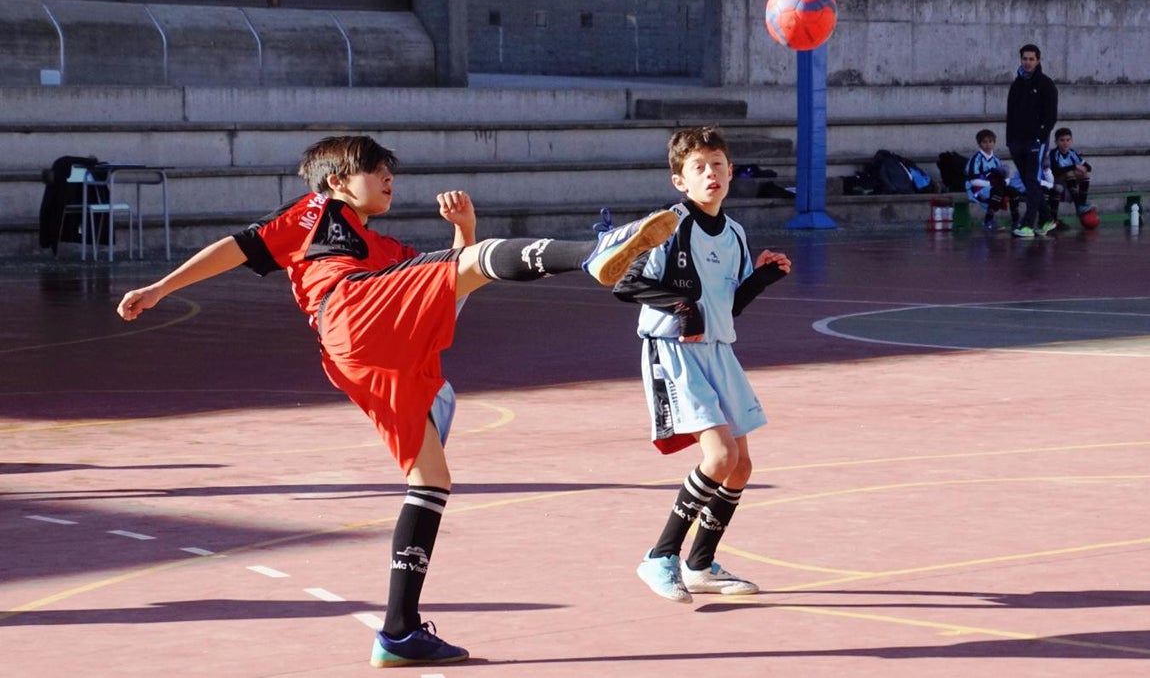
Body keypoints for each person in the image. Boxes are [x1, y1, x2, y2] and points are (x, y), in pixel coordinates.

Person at [115, 135, 677, 668]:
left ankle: (399, 632)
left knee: (431, 478)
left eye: (391, 172)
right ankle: (595, 250)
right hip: (351, 312)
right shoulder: (314, 214)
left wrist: (466, 232)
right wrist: (160, 288)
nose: (388, 179)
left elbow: (452, 288)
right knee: (474, 262)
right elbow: (235, 249)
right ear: (336, 182)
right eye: (376, 170)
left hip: (363, 356)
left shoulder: (386, 248)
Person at [611, 126, 791, 603]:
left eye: (717, 164)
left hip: (717, 348)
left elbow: (727, 306)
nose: (710, 173)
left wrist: (764, 277)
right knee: (719, 457)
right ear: (680, 181)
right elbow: (624, 284)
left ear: (730, 172)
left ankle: (700, 564)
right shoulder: (669, 225)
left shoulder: (734, 233)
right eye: (698, 167)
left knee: (741, 465)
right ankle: (659, 557)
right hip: (673, 349)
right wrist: (682, 306)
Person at [1005, 43, 1059, 239]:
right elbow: (1011, 114)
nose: (1027, 63)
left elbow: (1051, 115)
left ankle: (1028, 224)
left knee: (1033, 180)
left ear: (1038, 60)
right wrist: (1010, 140)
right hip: (1016, 141)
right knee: (1030, 183)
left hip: (1035, 141)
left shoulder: (1046, 84)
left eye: (1031, 59)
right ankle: (1047, 219)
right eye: (1024, 59)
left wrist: (1040, 137)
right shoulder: (1017, 84)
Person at [964, 129, 1021, 231]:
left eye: (990, 141)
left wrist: (1005, 182)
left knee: (1013, 191)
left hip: (994, 187)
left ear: (994, 143)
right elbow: (973, 180)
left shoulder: (996, 159)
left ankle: (1016, 220)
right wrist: (992, 183)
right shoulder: (976, 159)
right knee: (997, 190)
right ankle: (988, 221)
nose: (988, 145)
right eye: (984, 142)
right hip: (977, 189)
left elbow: (1005, 177)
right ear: (979, 144)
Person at [1047, 126, 1095, 226]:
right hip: (1056, 181)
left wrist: (1083, 169)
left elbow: (1088, 167)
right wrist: (1075, 166)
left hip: (1070, 183)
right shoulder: (1053, 153)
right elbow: (1056, 171)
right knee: (1070, 173)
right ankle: (1078, 206)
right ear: (1056, 142)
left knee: (1085, 173)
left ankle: (1082, 204)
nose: (1065, 143)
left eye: (1068, 140)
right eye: (1062, 140)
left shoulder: (1072, 153)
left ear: (1071, 141)